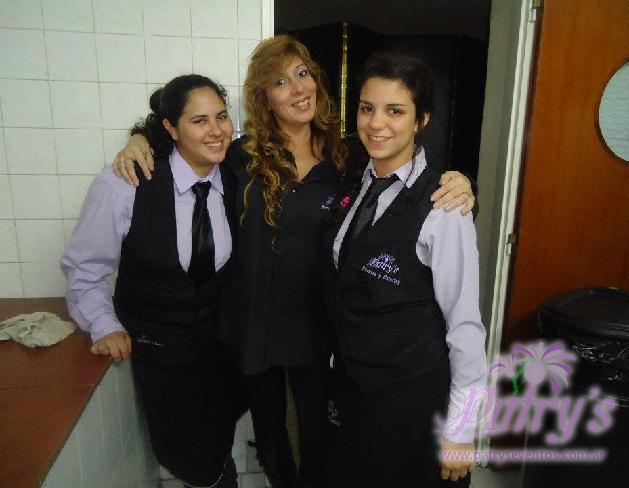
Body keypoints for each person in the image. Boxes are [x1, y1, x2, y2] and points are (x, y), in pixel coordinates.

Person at [111, 35, 477, 488]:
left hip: (320, 329)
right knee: (271, 434)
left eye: (303, 73)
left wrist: (464, 184)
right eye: (280, 81)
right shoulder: (239, 157)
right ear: (264, 96)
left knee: (322, 436)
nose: (298, 88)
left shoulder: (347, 155)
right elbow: (187, 141)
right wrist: (141, 138)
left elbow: (409, 174)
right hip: (252, 324)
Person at [61, 75, 243, 488]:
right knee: (190, 457)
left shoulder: (236, 172)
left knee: (216, 443)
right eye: (199, 121)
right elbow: (85, 268)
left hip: (223, 350)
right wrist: (103, 325)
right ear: (170, 128)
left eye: (221, 117)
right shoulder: (126, 182)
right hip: (160, 349)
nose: (216, 130)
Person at [323, 51, 487, 488]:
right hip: (352, 385)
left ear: (421, 120)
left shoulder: (444, 207)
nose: (376, 123)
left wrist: (463, 428)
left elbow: (466, 326)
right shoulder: (353, 180)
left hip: (412, 393)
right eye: (367, 108)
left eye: (395, 111)